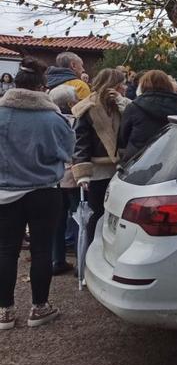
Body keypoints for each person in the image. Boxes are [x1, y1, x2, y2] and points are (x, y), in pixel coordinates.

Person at [0, 58, 75, 330]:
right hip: (44, 190)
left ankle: (4, 312)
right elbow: (67, 152)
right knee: (42, 249)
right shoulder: (53, 117)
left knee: (6, 250)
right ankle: (39, 307)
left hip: (5, 191)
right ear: (43, 87)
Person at [71, 68, 129, 246]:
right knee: (96, 215)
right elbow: (81, 141)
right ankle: (91, 253)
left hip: (121, 168)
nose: (125, 87)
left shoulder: (120, 104)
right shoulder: (88, 107)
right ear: (114, 85)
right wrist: (82, 173)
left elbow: (133, 126)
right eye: (122, 84)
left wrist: (122, 103)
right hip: (98, 170)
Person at [118, 70, 177, 162]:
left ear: (143, 85)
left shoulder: (134, 106)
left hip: (138, 158)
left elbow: (123, 136)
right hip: (171, 158)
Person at [48, 85, 79, 276]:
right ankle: (80, 260)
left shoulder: (48, 121)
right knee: (78, 219)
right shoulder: (77, 120)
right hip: (75, 176)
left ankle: (56, 259)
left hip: (54, 177)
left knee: (57, 220)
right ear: (70, 102)